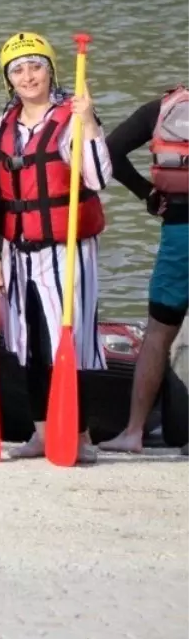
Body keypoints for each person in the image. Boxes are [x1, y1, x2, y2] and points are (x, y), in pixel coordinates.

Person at [0, 32, 111, 464]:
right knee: (32, 345)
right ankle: (41, 433)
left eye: (35, 66)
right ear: (9, 79)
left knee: (70, 343)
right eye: (18, 69)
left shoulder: (71, 116)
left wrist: (91, 120)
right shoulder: (4, 125)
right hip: (19, 249)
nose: (28, 76)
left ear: (51, 70)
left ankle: (80, 436)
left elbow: (97, 178)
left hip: (66, 250)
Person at [99, 85, 189, 453]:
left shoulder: (165, 107)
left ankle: (134, 432)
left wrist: (146, 194)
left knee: (157, 333)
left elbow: (110, 151)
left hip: (179, 231)